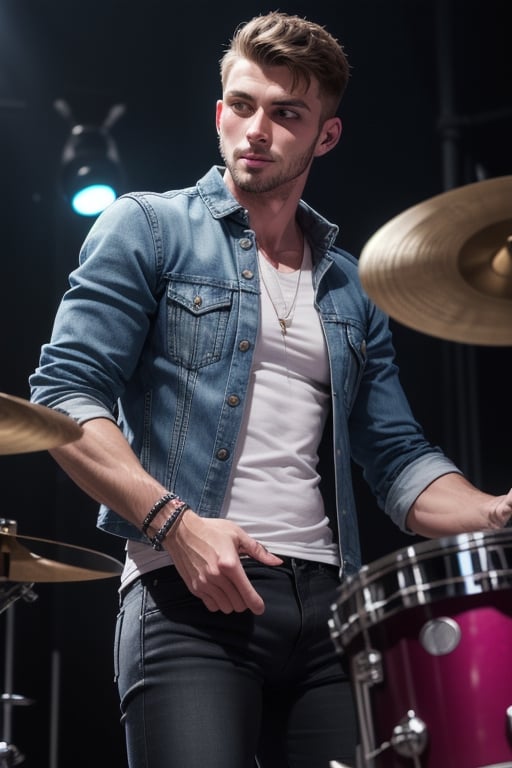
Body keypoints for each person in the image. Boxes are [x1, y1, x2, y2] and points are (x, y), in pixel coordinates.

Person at [29, 10, 512, 768]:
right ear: (220, 112)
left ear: (325, 136)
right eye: (243, 106)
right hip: (185, 594)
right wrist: (176, 527)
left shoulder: (350, 286)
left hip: (329, 609)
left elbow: (396, 458)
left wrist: (494, 512)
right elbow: (63, 395)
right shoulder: (147, 228)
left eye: (286, 114)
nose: (258, 129)